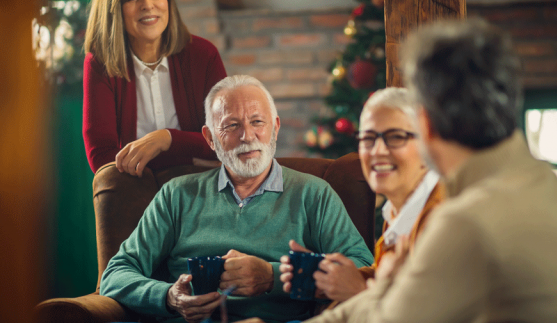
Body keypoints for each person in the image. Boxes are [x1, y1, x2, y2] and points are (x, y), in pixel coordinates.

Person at [262, 18, 557, 323]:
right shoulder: (546, 182)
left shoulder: (466, 220)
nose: (379, 150)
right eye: (368, 138)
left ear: (426, 126)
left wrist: (384, 284)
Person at [99, 75, 373, 323]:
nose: (247, 136)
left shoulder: (314, 193)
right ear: (210, 138)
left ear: (275, 127)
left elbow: (361, 268)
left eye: (257, 122)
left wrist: (271, 276)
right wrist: (169, 297)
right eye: (231, 125)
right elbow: (115, 275)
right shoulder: (176, 194)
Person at [280, 87, 445, 304]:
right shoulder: (398, 209)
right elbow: (384, 282)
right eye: (368, 139)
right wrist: (331, 277)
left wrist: (358, 291)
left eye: (395, 137)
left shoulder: (443, 218)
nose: (377, 151)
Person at [83, 0, 227, 176]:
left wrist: (167, 139)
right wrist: (184, 157)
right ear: (113, 8)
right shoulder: (100, 64)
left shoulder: (204, 55)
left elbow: (225, 136)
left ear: (167, 0)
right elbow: (101, 156)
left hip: (200, 186)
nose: (147, 5)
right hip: (135, 187)